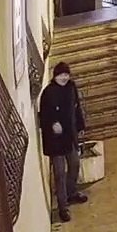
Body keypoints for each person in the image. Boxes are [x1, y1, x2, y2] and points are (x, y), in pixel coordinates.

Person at [38, 62, 87, 222]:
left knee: (74, 164)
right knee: (59, 173)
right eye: (61, 75)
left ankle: (71, 192)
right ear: (55, 75)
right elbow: (43, 116)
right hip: (56, 142)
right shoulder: (48, 93)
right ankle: (62, 206)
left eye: (67, 74)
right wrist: (53, 124)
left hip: (69, 136)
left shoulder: (71, 88)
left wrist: (80, 125)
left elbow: (76, 107)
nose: (65, 77)